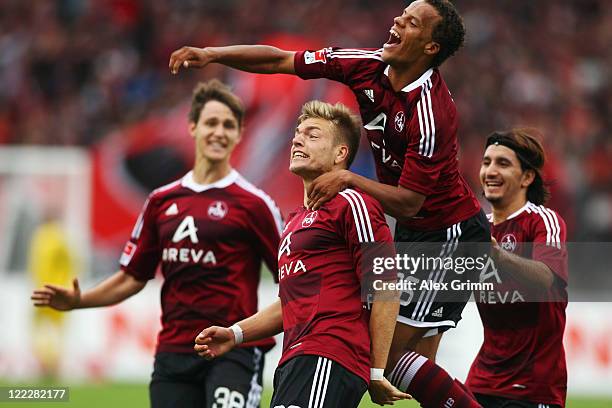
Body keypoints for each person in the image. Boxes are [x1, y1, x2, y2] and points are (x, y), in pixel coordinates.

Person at [169, 0, 487, 405]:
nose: (396, 21)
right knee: (412, 371)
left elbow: (409, 202)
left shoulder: (431, 112)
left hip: (450, 233)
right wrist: (214, 54)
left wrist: (350, 177)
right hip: (414, 231)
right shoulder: (365, 64)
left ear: (429, 48)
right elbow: (282, 61)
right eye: (400, 15)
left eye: (410, 23)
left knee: (387, 356)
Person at [31, 79, 283, 408]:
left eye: (228, 125)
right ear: (192, 127)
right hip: (174, 352)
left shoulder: (254, 204)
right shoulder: (161, 202)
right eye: (210, 123)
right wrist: (80, 301)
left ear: (238, 134)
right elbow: (132, 277)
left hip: (233, 354)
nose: (219, 132)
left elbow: (290, 279)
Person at [194, 100, 407, 407]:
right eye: (297, 133)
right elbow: (290, 303)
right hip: (297, 358)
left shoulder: (351, 203)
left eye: (312, 134)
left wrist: (376, 371)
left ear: (340, 154)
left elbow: (386, 283)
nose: (297, 139)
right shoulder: (295, 220)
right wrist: (236, 334)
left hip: (328, 354)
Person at [466, 128, 568, 408]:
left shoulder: (543, 221)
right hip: (482, 380)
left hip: (532, 387)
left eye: (503, 163)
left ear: (527, 177)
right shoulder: (476, 228)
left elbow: (544, 279)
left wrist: (497, 255)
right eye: (486, 162)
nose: (490, 171)